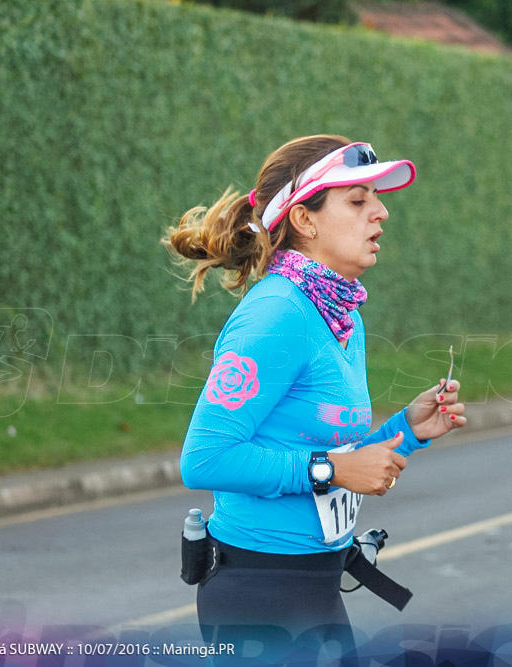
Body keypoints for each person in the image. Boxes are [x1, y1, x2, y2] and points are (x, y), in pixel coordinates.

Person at [162, 135, 467, 652]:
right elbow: (205, 459)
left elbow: (322, 444)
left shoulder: (341, 314)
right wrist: (328, 470)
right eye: (358, 200)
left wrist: (406, 431)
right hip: (257, 593)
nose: (381, 212)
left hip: (315, 585)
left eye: (375, 197)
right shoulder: (277, 313)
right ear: (305, 220)